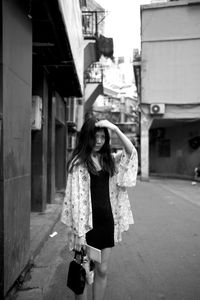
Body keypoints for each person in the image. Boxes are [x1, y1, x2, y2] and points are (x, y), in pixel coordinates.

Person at [61, 118, 138, 300]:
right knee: (85, 271)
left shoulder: (110, 160)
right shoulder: (78, 163)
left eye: (102, 137)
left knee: (103, 270)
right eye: (95, 137)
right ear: (86, 137)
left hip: (107, 222)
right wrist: (79, 234)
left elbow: (131, 152)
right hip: (86, 225)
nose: (98, 141)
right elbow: (75, 200)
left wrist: (115, 128)